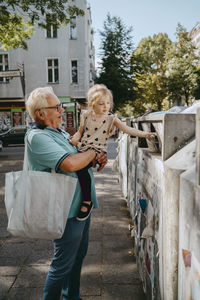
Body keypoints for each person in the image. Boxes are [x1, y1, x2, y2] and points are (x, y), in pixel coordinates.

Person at [25, 86, 107, 300]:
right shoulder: (37, 137)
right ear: (41, 114)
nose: (62, 109)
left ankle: (72, 296)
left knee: (77, 257)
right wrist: (91, 152)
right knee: (62, 264)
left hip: (82, 205)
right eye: (57, 107)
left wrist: (94, 158)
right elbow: (70, 164)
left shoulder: (59, 132)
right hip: (65, 210)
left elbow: (79, 160)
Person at [70, 84, 157, 221]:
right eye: (101, 103)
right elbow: (80, 132)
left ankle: (87, 200)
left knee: (81, 169)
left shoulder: (111, 118)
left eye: (108, 103)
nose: (106, 106)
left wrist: (145, 134)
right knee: (73, 167)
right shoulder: (86, 115)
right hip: (82, 147)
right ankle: (76, 199)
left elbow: (128, 129)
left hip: (96, 149)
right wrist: (73, 139)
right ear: (92, 104)